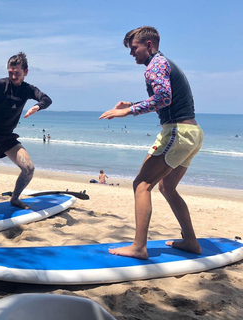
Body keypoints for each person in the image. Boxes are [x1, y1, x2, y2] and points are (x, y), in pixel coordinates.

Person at [99, 26, 204, 259]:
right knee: (167, 187)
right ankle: (190, 242)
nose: (131, 54)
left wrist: (128, 112)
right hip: (191, 132)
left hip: (178, 131)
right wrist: (132, 104)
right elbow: (167, 98)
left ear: (148, 45)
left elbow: (163, 98)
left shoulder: (155, 65)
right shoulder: (164, 63)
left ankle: (139, 247)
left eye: (133, 48)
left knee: (142, 184)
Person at [0, 52, 52, 214]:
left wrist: (37, 106)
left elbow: (46, 99)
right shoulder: (1, 84)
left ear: (26, 72)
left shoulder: (28, 90)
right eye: (10, 72)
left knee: (29, 168)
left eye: (17, 73)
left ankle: (15, 198)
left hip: (7, 137)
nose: (13, 76)